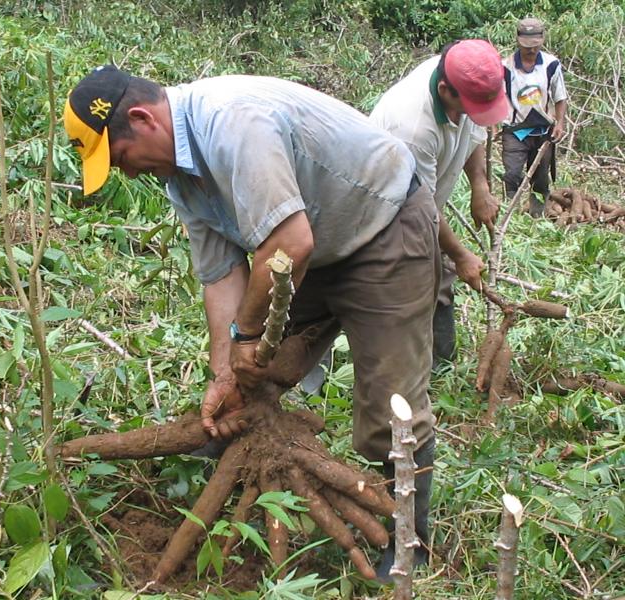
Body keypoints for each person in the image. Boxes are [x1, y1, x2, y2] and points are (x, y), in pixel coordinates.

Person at [63, 65, 439, 579]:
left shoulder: (233, 123)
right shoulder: (180, 177)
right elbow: (221, 276)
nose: (126, 174)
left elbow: (289, 243)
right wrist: (226, 372)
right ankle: (239, 461)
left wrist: (247, 333)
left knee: (389, 407)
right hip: (310, 249)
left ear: (143, 119)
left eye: (120, 157)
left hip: (384, 231)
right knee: (259, 374)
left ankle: (408, 537)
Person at [370, 39, 508, 364]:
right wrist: (460, 255)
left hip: (422, 207)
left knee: (438, 276)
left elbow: (475, 128)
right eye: (470, 108)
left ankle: (442, 366)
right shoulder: (411, 127)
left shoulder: (466, 78)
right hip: (384, 212)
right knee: (399, 288)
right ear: (445, 91)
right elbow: (422, 204)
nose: (474, 114)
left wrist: (480, 186)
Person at [502, 17, 568, 217]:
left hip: (542, 129)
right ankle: (510, 217)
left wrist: (560, 123)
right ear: (517, 40)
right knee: (512, 175)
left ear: (542, 40)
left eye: (535, 46)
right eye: (526, 46)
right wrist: (494, 125)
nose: (531, 50)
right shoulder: (505, 66)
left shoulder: (551, 64)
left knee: (540, 179)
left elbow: (560, 96)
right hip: (515, 130)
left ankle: (537, 217)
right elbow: (497, 96)